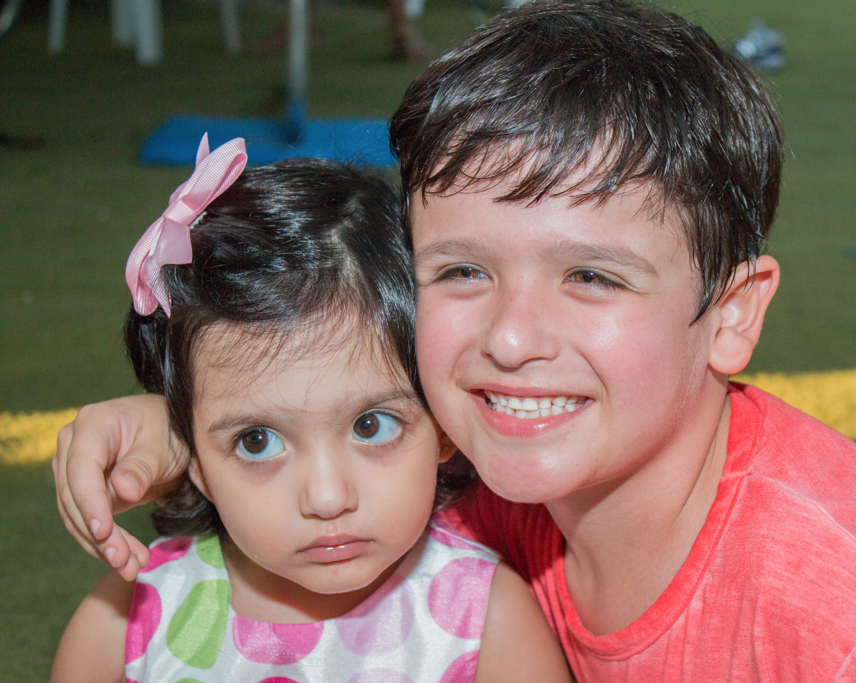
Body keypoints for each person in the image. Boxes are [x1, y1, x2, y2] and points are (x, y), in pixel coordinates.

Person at [53, 1, 856, 680]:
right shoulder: (500, 462)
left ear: (730, 313)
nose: (509, 338)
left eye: (592, 275)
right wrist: (194, 423)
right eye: (463, 269)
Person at [50, 137, 570, 683]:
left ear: (441, 422)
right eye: (257, 441)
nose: (327, 497)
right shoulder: (127, 625)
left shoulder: (490, 624)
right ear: (192, 457)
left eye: (371, 426)